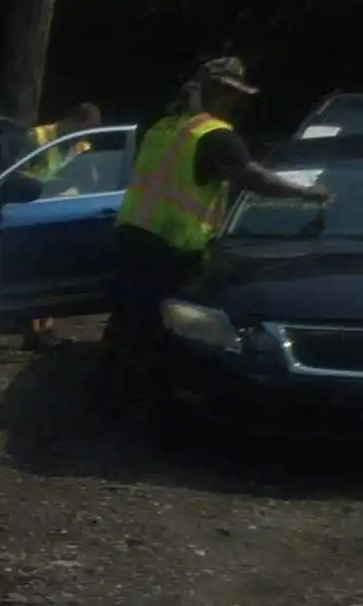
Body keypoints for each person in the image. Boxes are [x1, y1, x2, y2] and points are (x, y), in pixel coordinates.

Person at [101, 57, 330, 406]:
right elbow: (252, 177)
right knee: (167, 335)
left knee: (129, 324)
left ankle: (115, 397)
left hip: (132, 236)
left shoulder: (163, 127)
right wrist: (304, 193)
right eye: (233, 95)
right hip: (171, 248)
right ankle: (147, 408)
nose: (237, 103)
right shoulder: (216, 135)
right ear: (220, 95)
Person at [21, 102, 103, 350]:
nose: (85, 136)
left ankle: (47, 328)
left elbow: (91, 178)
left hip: (61, 211)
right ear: (71, 121)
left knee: (51, 268)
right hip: (32, 209)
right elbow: (20, 173)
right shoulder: (37, 137)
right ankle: (33, 331)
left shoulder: (82, 144)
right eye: (83, 129)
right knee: (35, 270)